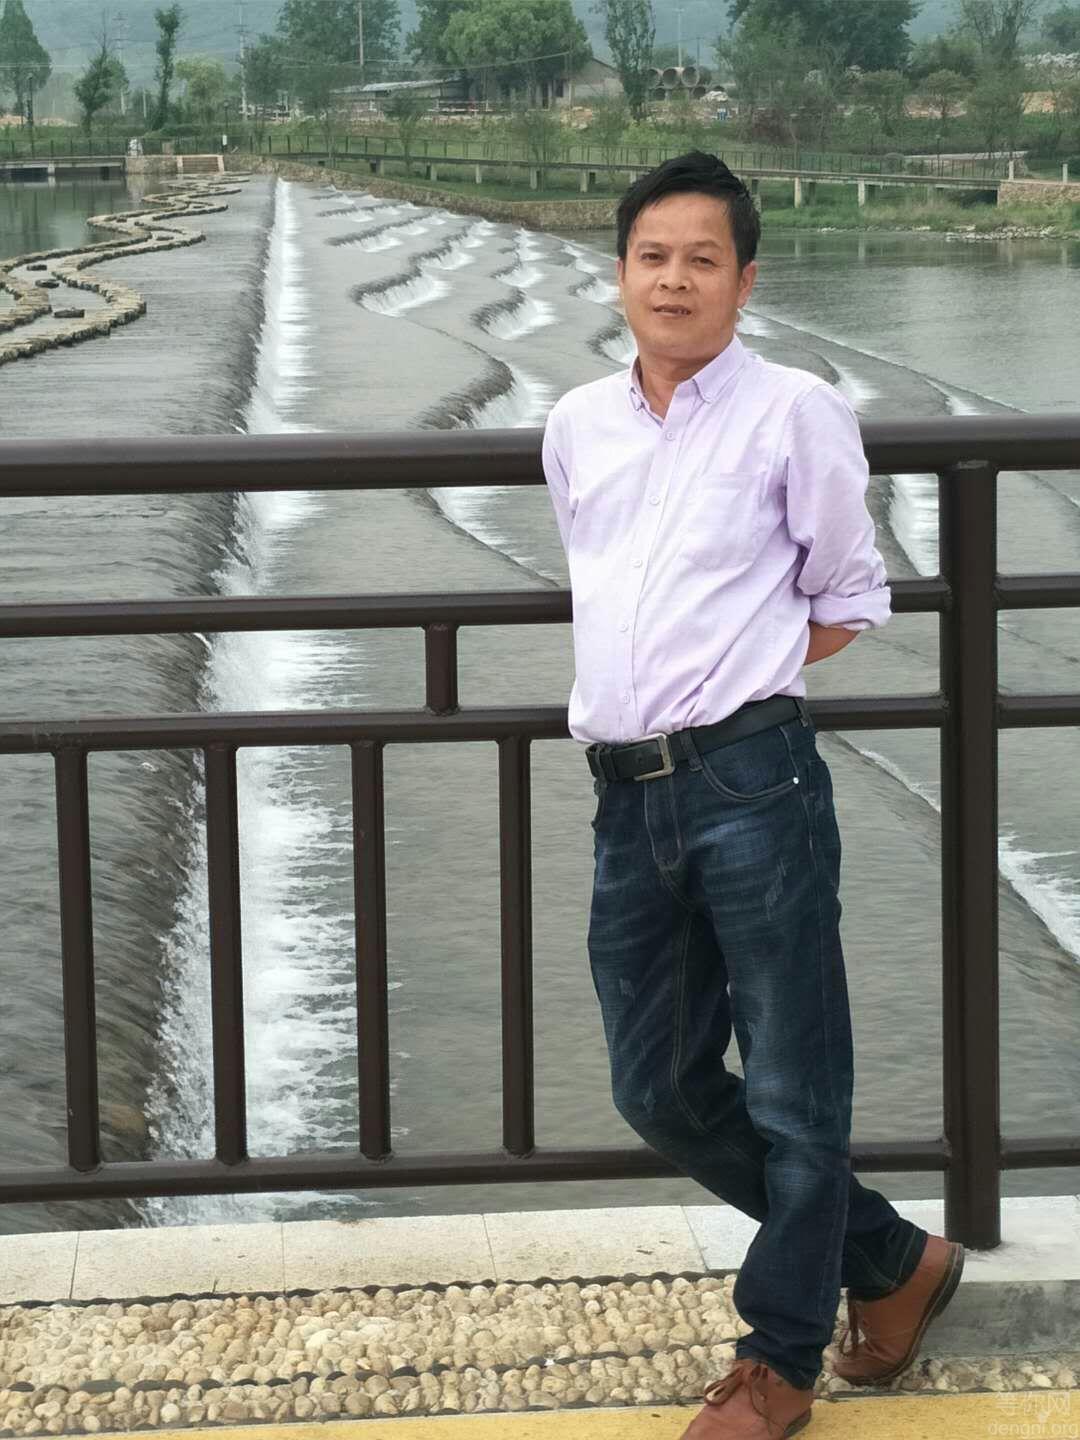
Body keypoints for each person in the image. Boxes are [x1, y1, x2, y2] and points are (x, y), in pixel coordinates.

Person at [540, 152, 966, 1440]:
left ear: (745, 280)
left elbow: (849, 596)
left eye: (702, 259)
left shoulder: (796, 412)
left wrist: (745, 675)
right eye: (652, 256)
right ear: (620, 272)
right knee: (659, 1089)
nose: (674, 280)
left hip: (751, 776)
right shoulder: (578, 424)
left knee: (792, 1089)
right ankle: (891, 1259)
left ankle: (778, 1359)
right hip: (626, 794)